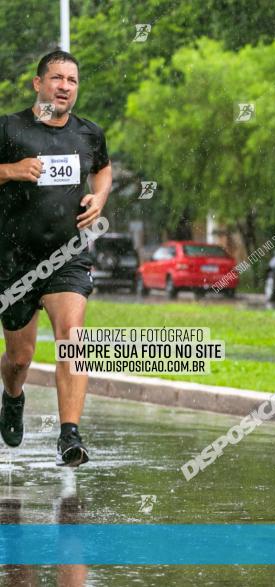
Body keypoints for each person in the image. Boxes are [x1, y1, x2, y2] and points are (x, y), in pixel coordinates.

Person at [0, 50, 112, 466]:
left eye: (73, 80)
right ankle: (13, 396)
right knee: (19, 358)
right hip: (14, 259)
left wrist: (98, 198)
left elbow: (102, 169)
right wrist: (12, 170)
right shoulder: (9, 128)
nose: (65, 86)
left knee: (72, 337)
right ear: (38, 84)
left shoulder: (89, 133)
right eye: (57, 78)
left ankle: (70, 434)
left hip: (68, 255)